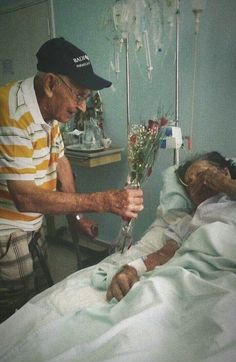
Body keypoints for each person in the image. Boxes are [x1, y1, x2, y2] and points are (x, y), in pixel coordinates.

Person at [0, 37, 143, 311]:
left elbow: (61, 162)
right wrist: (104, 201)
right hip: (7, 229)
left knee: (40, 300)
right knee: (13, 315)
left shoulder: (50, 111)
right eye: (79, 96)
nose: (82, 107)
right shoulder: (12, 111)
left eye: (86, 98)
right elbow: (25, 198)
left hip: (32, 224)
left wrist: (77, 218)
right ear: (51, 84)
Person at [107, 151, 236, 301]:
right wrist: (131, 269)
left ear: (225, 172)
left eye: (202, 174)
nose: (195, 183)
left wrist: (226, 185)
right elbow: (163, 255)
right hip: (193, 279)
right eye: (190, 182)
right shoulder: (186, 223)